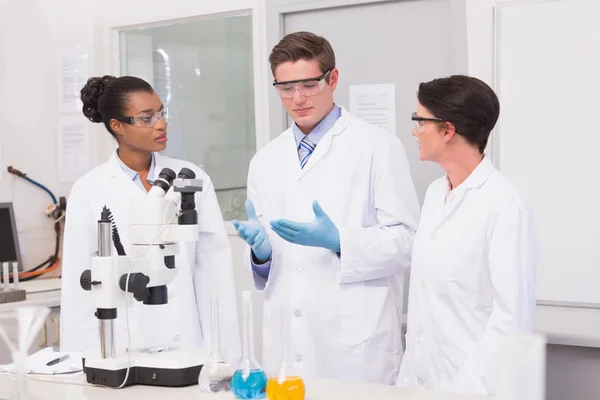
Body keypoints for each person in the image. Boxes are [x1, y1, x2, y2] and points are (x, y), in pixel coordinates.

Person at [232, 31, 420, 384]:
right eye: (286, 88)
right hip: (287, 344)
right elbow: (266, 264)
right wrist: (260, 255)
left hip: (354, 344)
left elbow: (408, 242)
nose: (297, 98)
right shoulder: (265, 160)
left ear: (332, 79)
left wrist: (339, 242)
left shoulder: (378, 147)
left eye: (308, 84)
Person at [59, 76, 241, 364]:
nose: (160, 123)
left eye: (161, 112)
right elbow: (78, 286)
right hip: (120, 347)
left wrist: (226, 355)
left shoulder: (190, 178)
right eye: (146, 118)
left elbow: (213, 274)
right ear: (117, 126)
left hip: (187, 343)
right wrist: (80, 363)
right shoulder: (89, 190)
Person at [397, 75, 538, 395]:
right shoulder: (435, 194)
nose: (414, 131)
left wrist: (468, 388)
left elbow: (511, 320)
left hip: (474, 388)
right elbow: (424, 302)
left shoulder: (505, 204)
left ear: (448, 130)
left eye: (420, 121)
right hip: (421, 382)